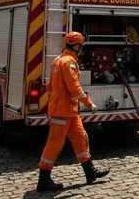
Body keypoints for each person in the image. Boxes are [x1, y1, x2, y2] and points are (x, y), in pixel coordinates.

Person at [37, 32, 110, 192]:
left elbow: (49, 87)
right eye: (81, 47)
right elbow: (74, 87)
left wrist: (54, 101)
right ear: (76, 46)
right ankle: (44, 179)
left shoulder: (57, 60)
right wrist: (88, 103)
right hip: (63, 112)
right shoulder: (69, 63)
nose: (82, 50)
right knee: (54, 144)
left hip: (68, 111)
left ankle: (90, 172)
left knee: (81, 139)